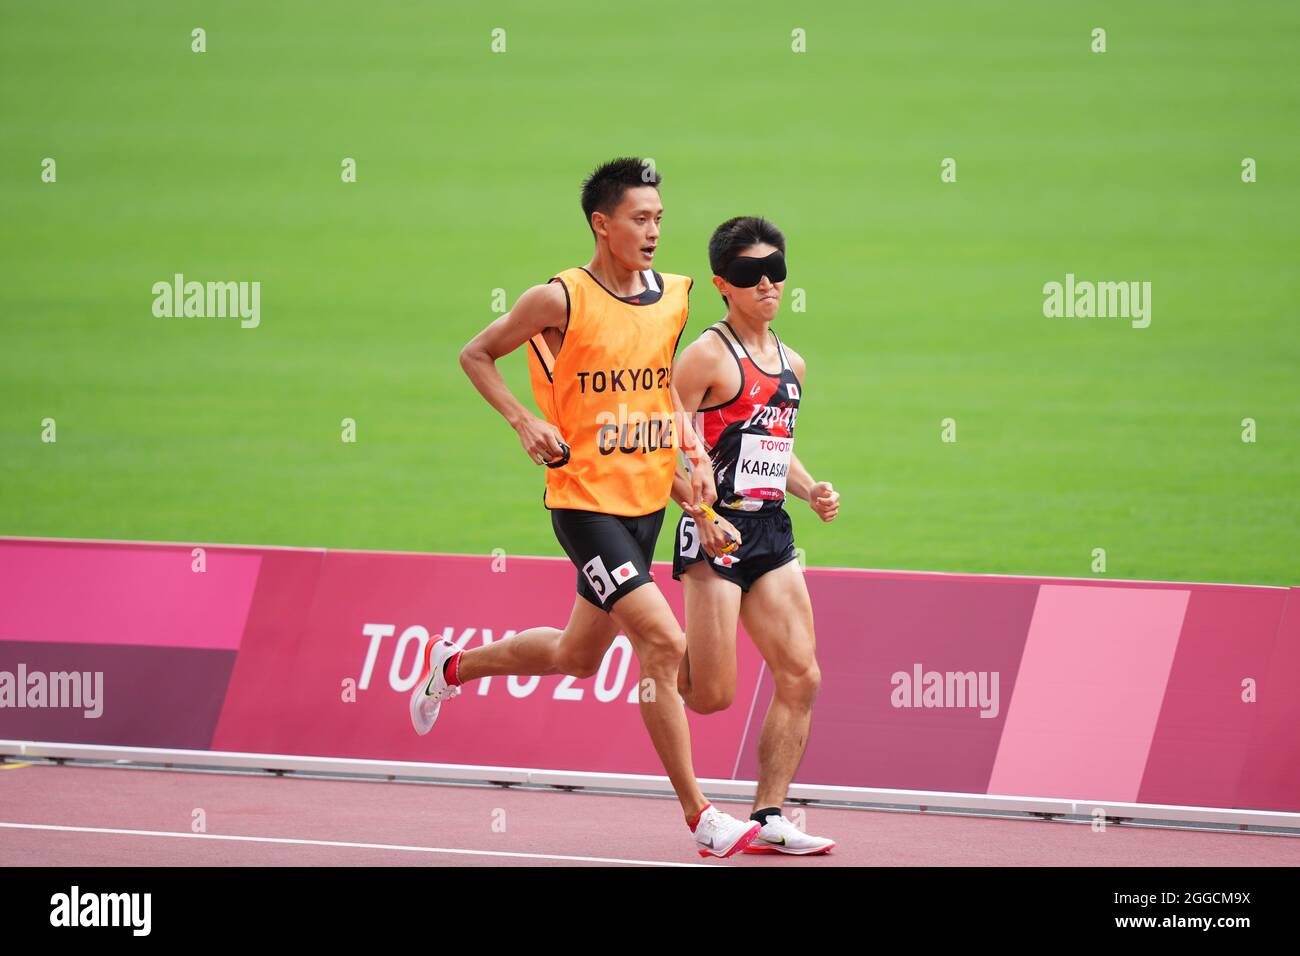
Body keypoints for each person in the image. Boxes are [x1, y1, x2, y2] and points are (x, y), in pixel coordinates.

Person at [411, 158, 761, 858]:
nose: (654, 230)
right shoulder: (558, 299)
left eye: (659, 217)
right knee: (661, 644)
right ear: (603, 224)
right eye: (640, 218)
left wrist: (691, 478)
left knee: (577, 655)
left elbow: (660, 391)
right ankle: (702, 818)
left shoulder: (674, 297)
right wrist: (522, 422)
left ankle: (452, 666)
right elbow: (476, 354)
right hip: (583, 502)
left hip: (645, 502)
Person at [669, 216, 840, 855]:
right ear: (723, 284)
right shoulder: (705, 358)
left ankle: (769, 816)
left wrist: (811, 486)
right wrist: (699, 512)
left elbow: (771, 444)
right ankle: (660, 655)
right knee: (712, 696)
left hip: (770, 532)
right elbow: (665, 446)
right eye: (749, 274)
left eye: (776, 269)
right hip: (714, 531)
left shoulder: (792, 362)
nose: (767, 282)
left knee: (802, 675)